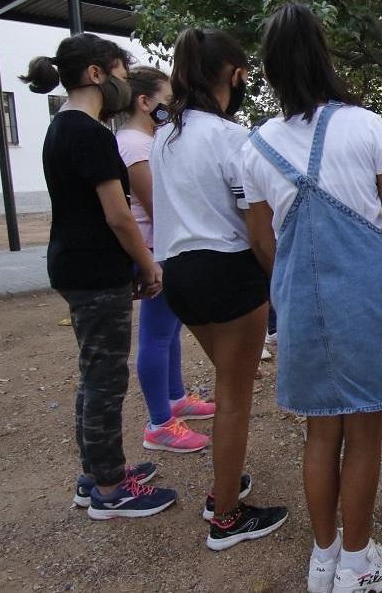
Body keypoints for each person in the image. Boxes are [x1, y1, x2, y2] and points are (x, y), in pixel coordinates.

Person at [242, 2, 382, 593]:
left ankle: (323, 558)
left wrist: (296, 278)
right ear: (323, 56)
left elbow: (259, 237)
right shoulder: (365, 125)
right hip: (365, 294)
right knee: (365, 430)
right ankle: (358, 562)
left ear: (270, 70)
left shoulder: (255, 145)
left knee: (320, 431)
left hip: (300, 301)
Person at [21, 34, 176, 519]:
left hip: (74, 263)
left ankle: (96, 472)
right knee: (106, 380)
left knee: (94, 375)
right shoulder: (89, 133)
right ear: (96, 74)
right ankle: (111, 487)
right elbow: (119, 215)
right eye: (122, 77)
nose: (125, 89)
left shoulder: (61, 127)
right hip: (94, 269)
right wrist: (147, 263)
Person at [152, 28, 286, 550]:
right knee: (235, 396)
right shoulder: (233, 138)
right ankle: (226, 513)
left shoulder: (165, 134)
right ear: (233, 74)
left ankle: (227, 485)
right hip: (228, 272)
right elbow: (255, 221)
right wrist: (279, 274)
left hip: (179, 275)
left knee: (228, 382)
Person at [115, 66, 213, 454]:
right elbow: (156, 204)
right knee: (155, 336)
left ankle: (175, 399)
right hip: (155, 248)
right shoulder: (135, 145)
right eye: (167, 103)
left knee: (169, 331)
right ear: (144, 102)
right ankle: (159, 423)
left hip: (164, 246)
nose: (171, 111)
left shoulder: (146, 141)